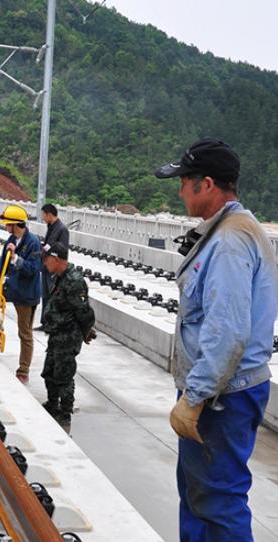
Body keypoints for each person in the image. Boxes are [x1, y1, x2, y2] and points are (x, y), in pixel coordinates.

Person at [153, 138, 277, 541]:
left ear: (206, 184)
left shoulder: (228, 242)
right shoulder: (230, 229)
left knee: (218, 502)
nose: (180, 191)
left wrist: (194, 398)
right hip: (220, 392)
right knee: (198, 496)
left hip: (222, 397)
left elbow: (228, 334)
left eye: (185, 182)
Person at [0, 204, 42, 384]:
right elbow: (2, 263)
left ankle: (23, 369)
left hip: (26, 293)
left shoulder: (33, 242)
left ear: (16, 225)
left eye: (8, 224)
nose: (6, 227)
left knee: (25, 332)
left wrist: (16, 257)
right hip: (11, 286)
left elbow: (33, 269)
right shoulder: (11, 238)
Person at [40, 242, 96, 433]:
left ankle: (65, 413)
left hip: (68, 335)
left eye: (46, 259)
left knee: (64, 375)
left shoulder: (74, 281)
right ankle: (52, 404)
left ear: (56, 259)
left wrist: (87, 331)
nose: (44, 263)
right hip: (57, 332)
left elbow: (84, 311)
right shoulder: (59, 277)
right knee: (49, 370)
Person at [36, 204, 69, 331]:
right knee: (45, 295)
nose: (43, 218)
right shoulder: (51, 227)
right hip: (46, 266)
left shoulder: (62, 229)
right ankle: (45, 322)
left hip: (54, 268)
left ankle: (53, 324)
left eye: (43, 215)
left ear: (49, 214)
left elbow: (63, 251)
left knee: (53, 295)